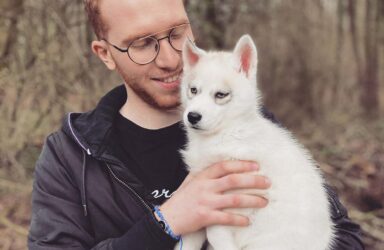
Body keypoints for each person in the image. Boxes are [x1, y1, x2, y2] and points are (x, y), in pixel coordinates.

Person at [28, 0, 364, 249]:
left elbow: (345, 238)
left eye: (177, 33)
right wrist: (163, 225)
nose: (171, 59)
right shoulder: (70, 156)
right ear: (105, 54)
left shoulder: (254, 129)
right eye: (143, 44)